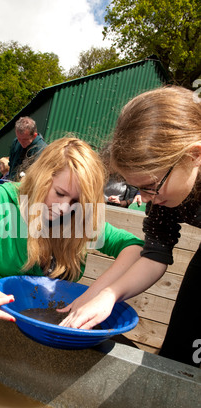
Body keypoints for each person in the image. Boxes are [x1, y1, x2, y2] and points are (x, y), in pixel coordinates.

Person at [63, 86, 201, 368]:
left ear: (193, 155)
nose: (147, 199)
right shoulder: (163, 195)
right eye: (137, 188)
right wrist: (106, 295)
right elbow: (155, 254)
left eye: (150, 187)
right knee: (181, 348)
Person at [0, 137, 144, 324]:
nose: (64, 208)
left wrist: (101, 293)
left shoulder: (78, 218)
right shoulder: (0, 202)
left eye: (76, 201)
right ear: (42, 176)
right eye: (59, 193)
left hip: (49, 328)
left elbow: (134, 247)